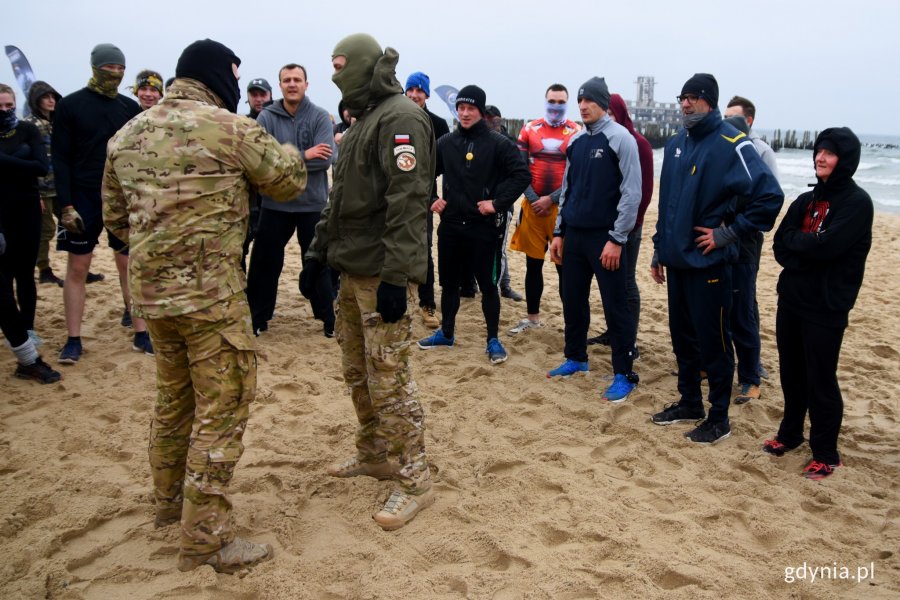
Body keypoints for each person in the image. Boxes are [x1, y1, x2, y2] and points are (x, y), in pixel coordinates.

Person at [103, 38, 308, 572]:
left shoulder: (126, 134)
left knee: (173, 401)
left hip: (153, 299)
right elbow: (288, 183)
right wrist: (288, 151)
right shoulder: (232, 127)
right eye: (235, 78)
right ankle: (206, 539)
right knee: (223, 409)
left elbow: (116, 221)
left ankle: (170, 506)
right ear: (220, 78)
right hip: (211, 299)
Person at [302, 33, 435, 530]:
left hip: (382, 271)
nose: (336, 74)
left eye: (341, 65)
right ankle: (375, 451)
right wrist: (317, 252)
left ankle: (415, 476)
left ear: (360, 65)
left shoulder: (401, 117)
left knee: (390, 379)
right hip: (351, 267)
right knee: (357, 370)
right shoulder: (363, 119)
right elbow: (339, 199)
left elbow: (408, 202)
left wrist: (398, 278)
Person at [649, 73, 783, 444]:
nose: (686, 104)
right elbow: (668, 205)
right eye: (683, 97)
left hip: (710, 265)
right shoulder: (676, 145)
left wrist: (728, 233)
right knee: (683, 339)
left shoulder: (731, 143)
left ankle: (719, 417)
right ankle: (690, 401)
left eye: (693, 97)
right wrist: (660, 249)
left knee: (715, 343)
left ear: (710, 101)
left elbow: (769, 197)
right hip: (676, 263)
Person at [766, 127, 872, 480]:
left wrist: (807, 247)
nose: (820, 158)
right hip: (792, 299)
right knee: (791, 372)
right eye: (818, 151)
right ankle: (790, 434)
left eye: (829, 153)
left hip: (826, 306)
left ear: (845, 160)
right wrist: (807, 250)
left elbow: (830, 248)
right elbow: (781, 244)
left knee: (820, 379)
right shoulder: (805, 201)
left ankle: (826, 452)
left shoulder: (857, 204)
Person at [417, 85, 530, 365]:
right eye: (461, 108)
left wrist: (497, 203)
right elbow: (425, 172)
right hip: (452, 225)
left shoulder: (498, 144)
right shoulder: (445, 143)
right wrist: (433, 198)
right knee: (449, 284)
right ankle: (446, 332)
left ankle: (493, 339)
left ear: (481, 111)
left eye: (471, 109)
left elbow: (521, 175)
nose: (465, 113)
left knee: (488, 286)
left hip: (484, 228)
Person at [52, 43, 151, 364]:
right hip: (82, 196)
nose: (114, 73)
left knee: (128, 265)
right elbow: (61, 159)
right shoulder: (70, 105)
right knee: (78, 266)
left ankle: (140, 332)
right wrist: (64, 205)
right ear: (95, 67)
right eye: (108, 68)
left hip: (123, 198)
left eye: (120, 69)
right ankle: (73, 339)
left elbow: (142, 159)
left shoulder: (129, 109)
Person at [546, 78, 641, 402]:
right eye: (581, 100)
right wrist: (559, 232)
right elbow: (568, 189)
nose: (583, 106)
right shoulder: (576, 142)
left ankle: (624, 373)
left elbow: (632, 193)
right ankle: (576, 358)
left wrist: (617, 238)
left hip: (606, 237)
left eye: (590, 101)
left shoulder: (621, 139)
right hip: (574, 234)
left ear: (603, 103)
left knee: (616, 307)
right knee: (572, 299)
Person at [247, 63, 336, 337]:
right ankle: (258, 318)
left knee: (319, 263)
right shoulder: (266, 119)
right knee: (264, 264)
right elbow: (262, 162)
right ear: (281, 85)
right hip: (275, 204)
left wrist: (286, 159)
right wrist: (304, 155)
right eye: (287, 80)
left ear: (306, 84)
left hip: (312, 204)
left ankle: (327, 319)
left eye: (297, 79)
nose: (292, 84)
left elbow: (326, 160)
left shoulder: (320, 116)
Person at [0, 83, 61, 383]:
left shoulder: (27, 129)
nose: (5, 111)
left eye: (9, 106)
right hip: (2, 212)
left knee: (25, 273)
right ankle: (21, 345)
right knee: (4, 278)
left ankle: (28, 329)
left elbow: (40, 166)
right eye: (0, 107)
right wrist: (19, 166)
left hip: (26, 209)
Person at [585, 93, 653, 357]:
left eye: (611, 113)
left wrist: (631, 227)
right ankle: (613, 332)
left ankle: (629, 340)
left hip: (628, 227)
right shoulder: (600, 140)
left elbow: (643, 192)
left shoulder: (639, 144)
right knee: (609, 282)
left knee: (626, 283)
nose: (608, 118)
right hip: (604, 225)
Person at [509, 83, 579, 334]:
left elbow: (577, 176)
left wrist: (551, 199)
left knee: (564, 268)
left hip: (562, 210)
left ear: (567, 103)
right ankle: (532, 317)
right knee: (533, 265)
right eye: (552, 101)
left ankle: (571, 321)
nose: (556, 106)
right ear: (545, 100)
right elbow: (519, 169)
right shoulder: (529, 129)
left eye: (561, 102)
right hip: (532, 207)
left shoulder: (576, 132)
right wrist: (534, 198)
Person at [724, 95, 781, 395]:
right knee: (722, 303)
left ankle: (751, 372)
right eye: (725, 116)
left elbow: (769, 198)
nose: (728, 122)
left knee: (744, 304)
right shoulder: (722, 147)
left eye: (735, 117)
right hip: (719, 239)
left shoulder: (760, 151)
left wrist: (738, 226)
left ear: (749, 121)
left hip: (746, 239)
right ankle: (721, 364)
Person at [404, 70, 449, 329]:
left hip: (424, 194)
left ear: (427, 94)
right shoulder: (394, 117)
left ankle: (427, 304)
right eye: (410, 90)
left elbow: (442, 164)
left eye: (419, 91)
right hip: (393, 194)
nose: (414, 95)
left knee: (423, 250)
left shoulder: (438, 123)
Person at [23, 81, 64, 287]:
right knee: (45, 230)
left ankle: (78, 266)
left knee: (71, 225)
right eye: (45, 97)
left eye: (53, 96)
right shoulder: (30, 125)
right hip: (41, 188)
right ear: (36, 100)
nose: (50, 100)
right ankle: (44, 269)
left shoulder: (58, 122)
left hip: (61, 184)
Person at [483, 104, 523, 302]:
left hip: (502, 203)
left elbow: (519, 176)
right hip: (482, 202)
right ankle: (476, 283)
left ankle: (504, 285)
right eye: (486, 118)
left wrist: (502, 199)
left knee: (499, 249)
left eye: (492, 118)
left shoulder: (508, 143)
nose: (489, 122)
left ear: (498, 120)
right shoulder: (480, 140)